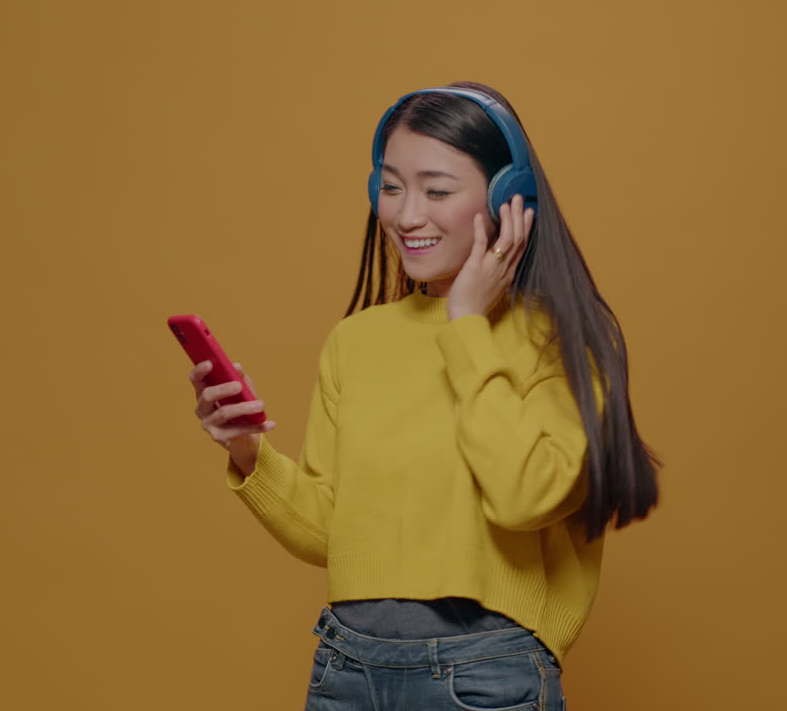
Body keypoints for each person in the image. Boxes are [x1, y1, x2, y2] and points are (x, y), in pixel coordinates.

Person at [188, 82, 660, 710]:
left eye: (437, 191)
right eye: (390, 187)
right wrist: (248, 451)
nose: (408, 215)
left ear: (507, 198)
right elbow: (333, 535)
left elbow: (524, 498)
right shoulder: (356, 342)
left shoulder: (561, 340)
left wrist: (465, 323)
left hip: (486, 677)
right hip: (344, 670)